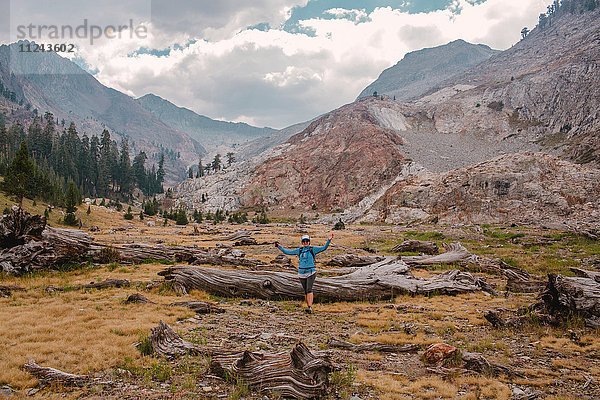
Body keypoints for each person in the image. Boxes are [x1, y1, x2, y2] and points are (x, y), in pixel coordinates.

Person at [275, 233, 333, 314]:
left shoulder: (313, 249)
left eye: (307, 241)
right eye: (304, 241)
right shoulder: (299, 250)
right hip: (301, 273)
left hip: (311, 272)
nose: (305, 242)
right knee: (305, 291)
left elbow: (324, 248)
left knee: (309, 289)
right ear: (302, 242)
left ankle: (310, 307)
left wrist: (329, 240)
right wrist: (279, 247)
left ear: (309, 242)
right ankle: (308, 306)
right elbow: (287, 252)